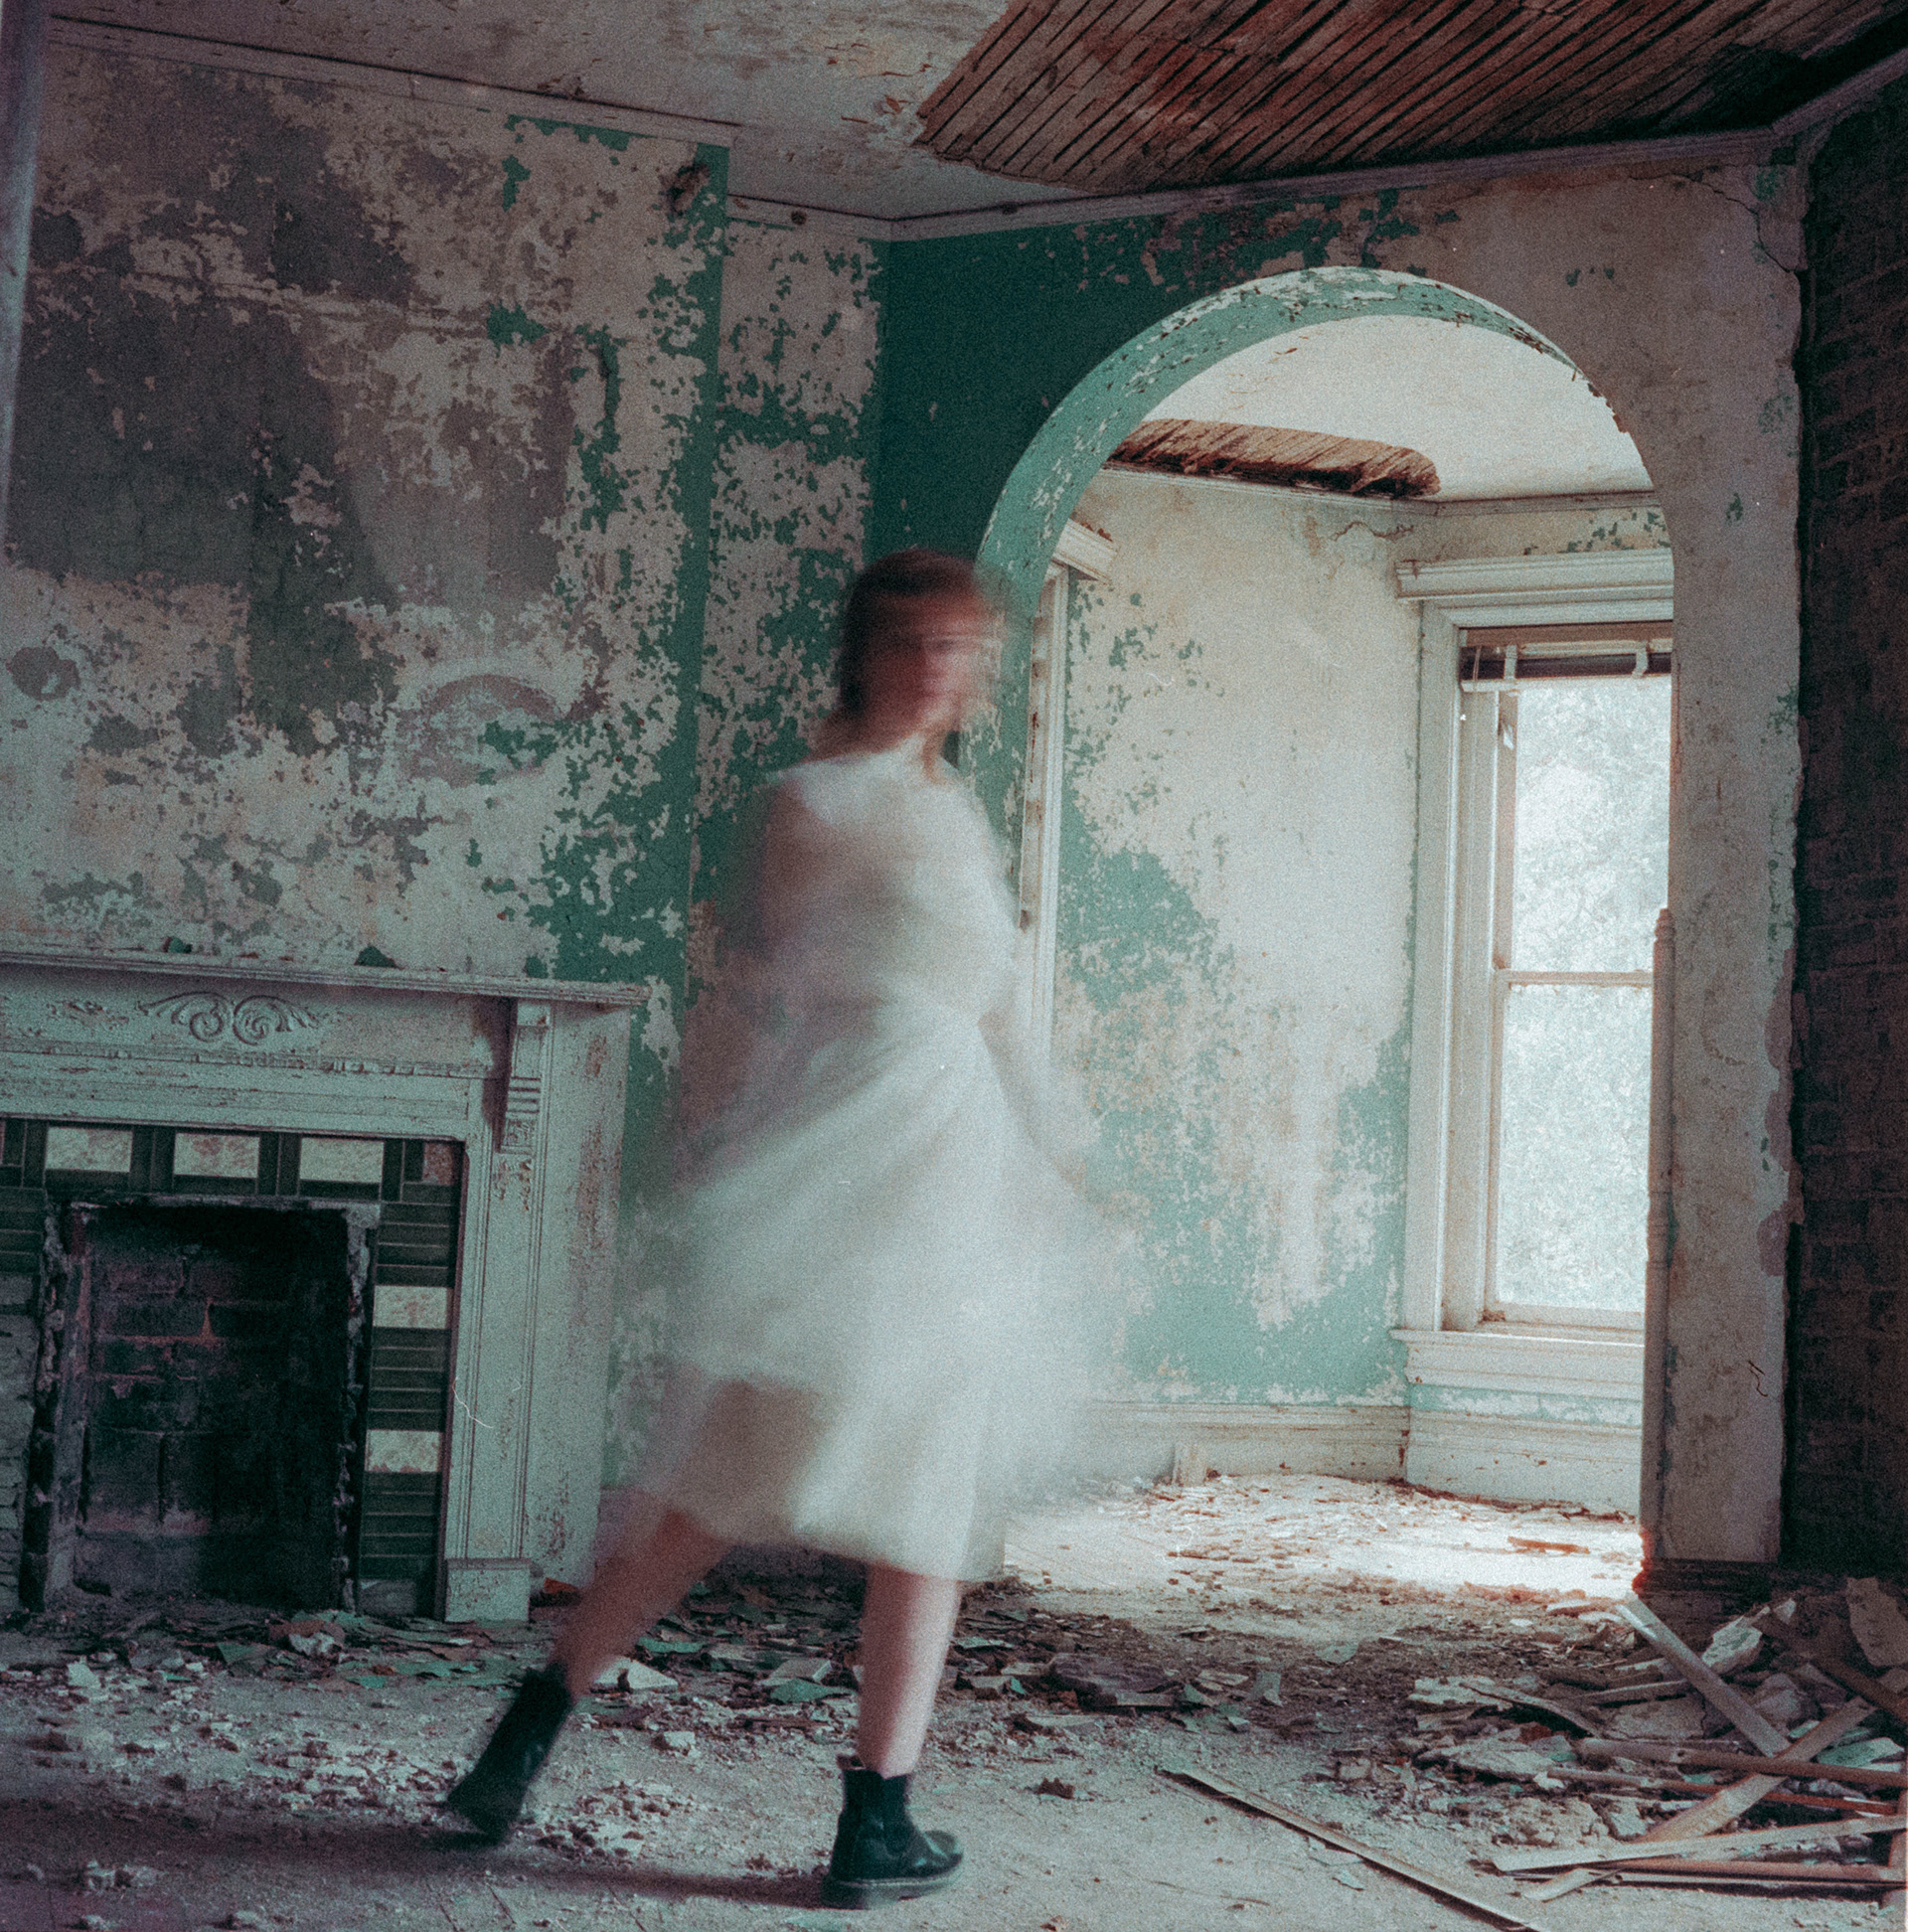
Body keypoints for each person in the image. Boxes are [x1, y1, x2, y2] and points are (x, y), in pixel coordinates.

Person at [443, 550, 1098, 1907]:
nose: (938, 667)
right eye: (912, 640)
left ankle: (876, 1817)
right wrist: (718, 1151)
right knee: (726, 1482)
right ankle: (537, 1725)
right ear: (866, 652)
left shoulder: (956, 812)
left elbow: (997, 1007)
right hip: (851, 1152)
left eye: (959, 645)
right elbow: (761, 993)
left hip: (951, 1164)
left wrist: (1050, 1152)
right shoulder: (814, 798)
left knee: (925, 1493)